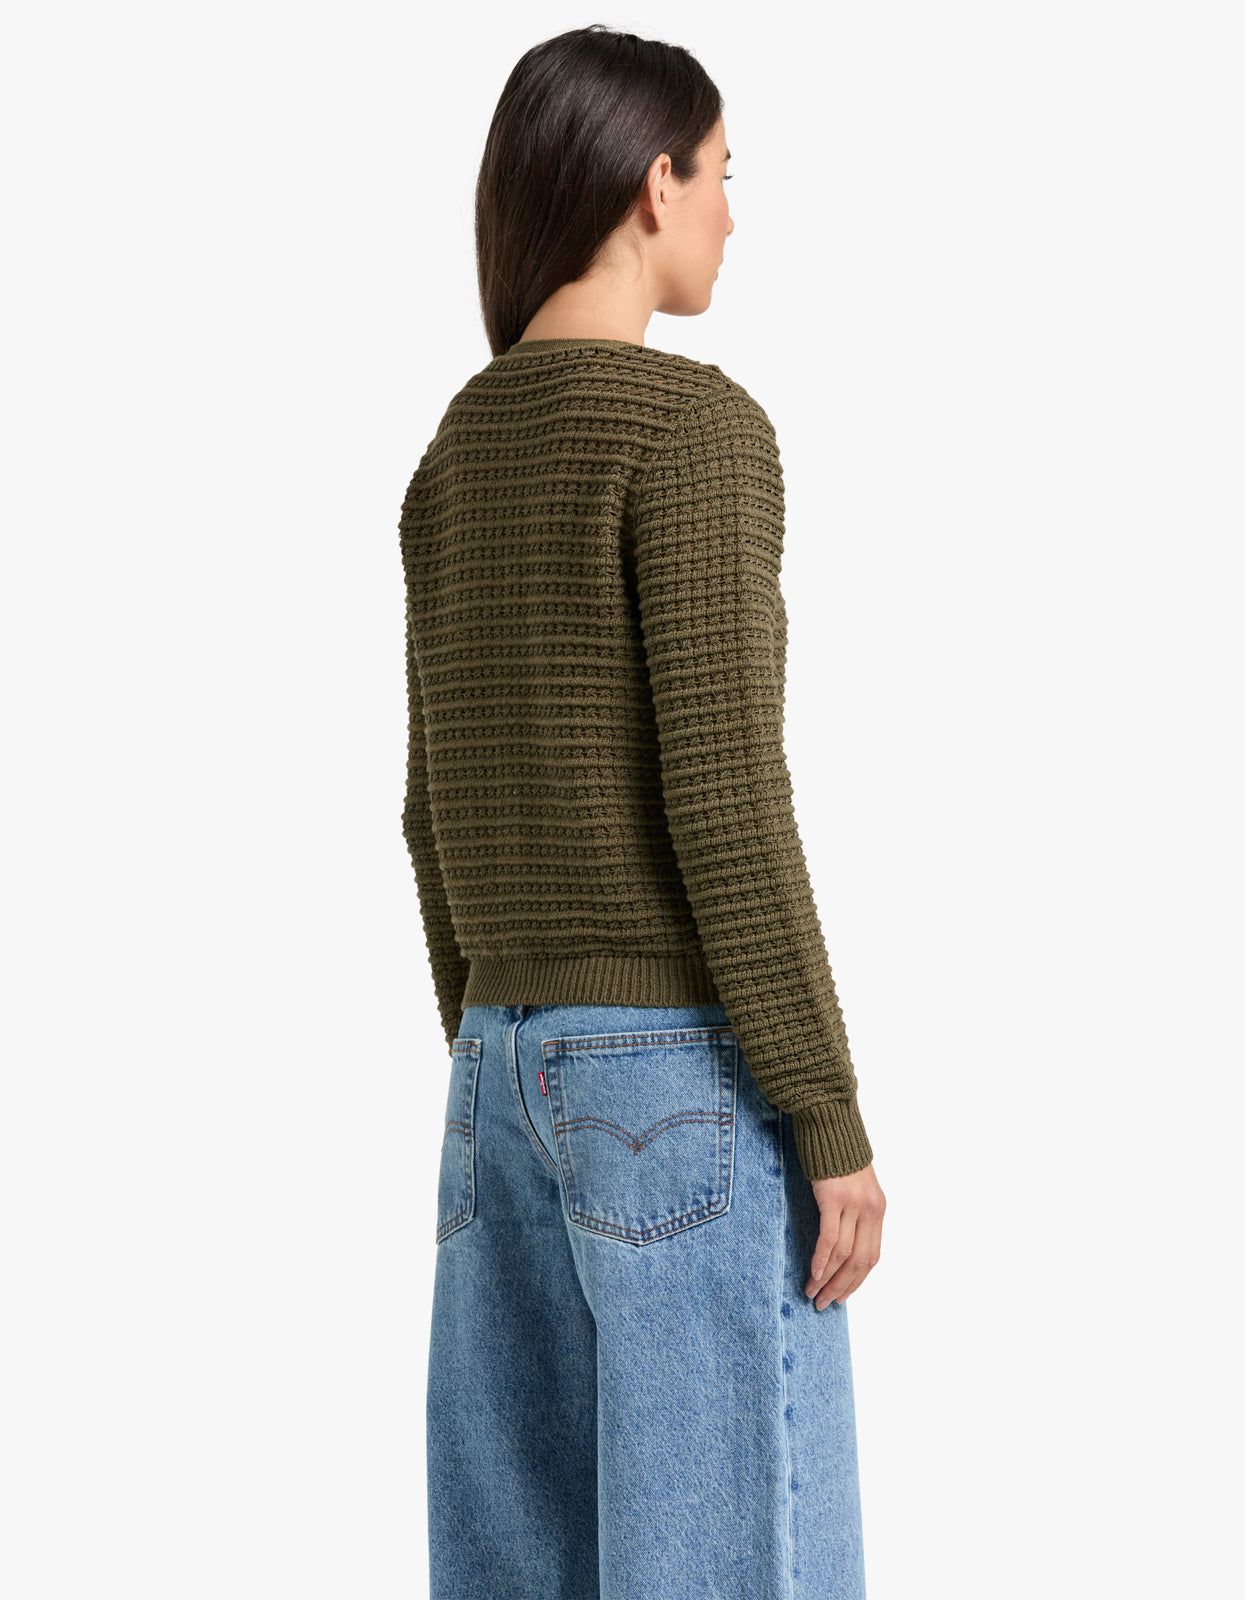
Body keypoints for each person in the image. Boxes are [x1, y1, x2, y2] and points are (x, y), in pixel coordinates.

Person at [398, 24, 885, 1600]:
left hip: (494, 1068)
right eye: (722, 173)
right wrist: (825, 1116)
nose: (733, 212)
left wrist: (506, 1057)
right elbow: (726, 800)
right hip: (671, 1073)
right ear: (647, 182)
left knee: (521, 1568)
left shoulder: (454, 456)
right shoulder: (691, 429)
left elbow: (427, 812)